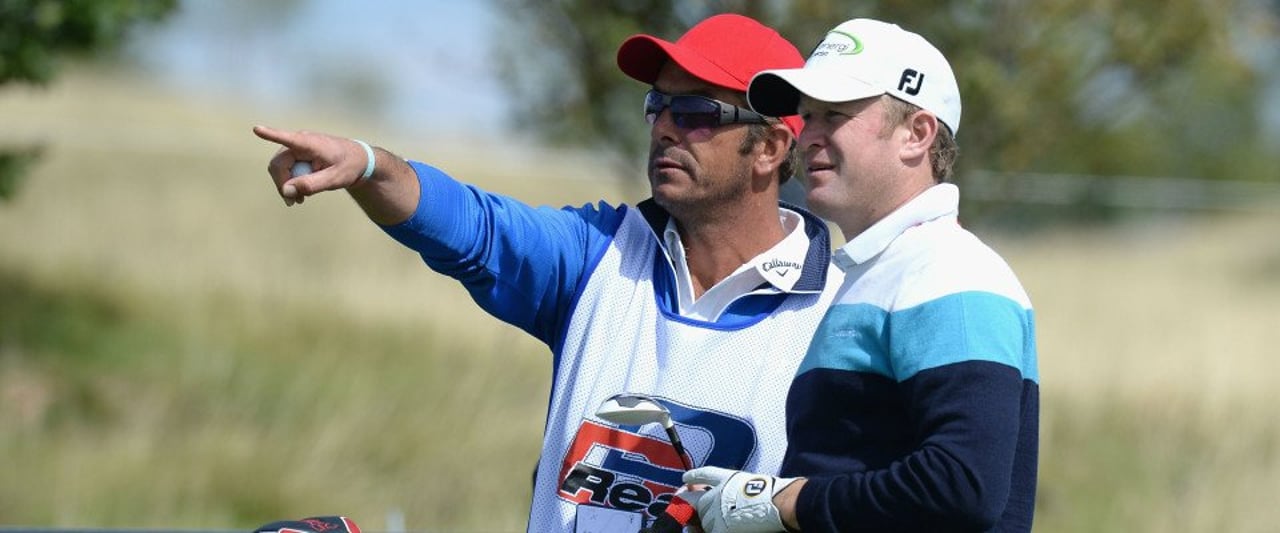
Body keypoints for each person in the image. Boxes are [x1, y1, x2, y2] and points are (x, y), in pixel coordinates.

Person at [252, 13, 844, 533]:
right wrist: (369, 166)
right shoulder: (597, 254)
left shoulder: (842, 315)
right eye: (657, 106)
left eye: (694, 113)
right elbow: (474, 228)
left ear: (770, 148)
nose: (664, 127)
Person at [676, 18, 1040, 532]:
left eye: (834, 114)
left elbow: (963, 485)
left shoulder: (950, 271)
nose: (808, 136)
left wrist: (784, 502)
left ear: (916, 134)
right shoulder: (881, 272)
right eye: (807, 116)